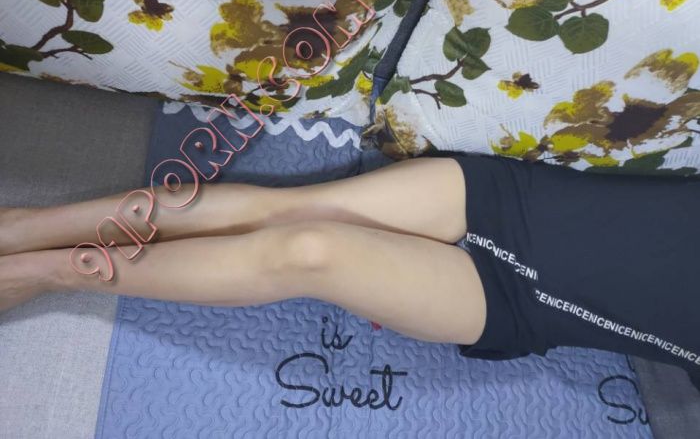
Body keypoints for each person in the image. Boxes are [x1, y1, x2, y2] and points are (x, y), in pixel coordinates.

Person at [1, 151, 699, 389]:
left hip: (517, 307)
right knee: (285, 210)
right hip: (521, 201)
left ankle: (52, 271)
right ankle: (27, 226)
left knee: (308, 249)